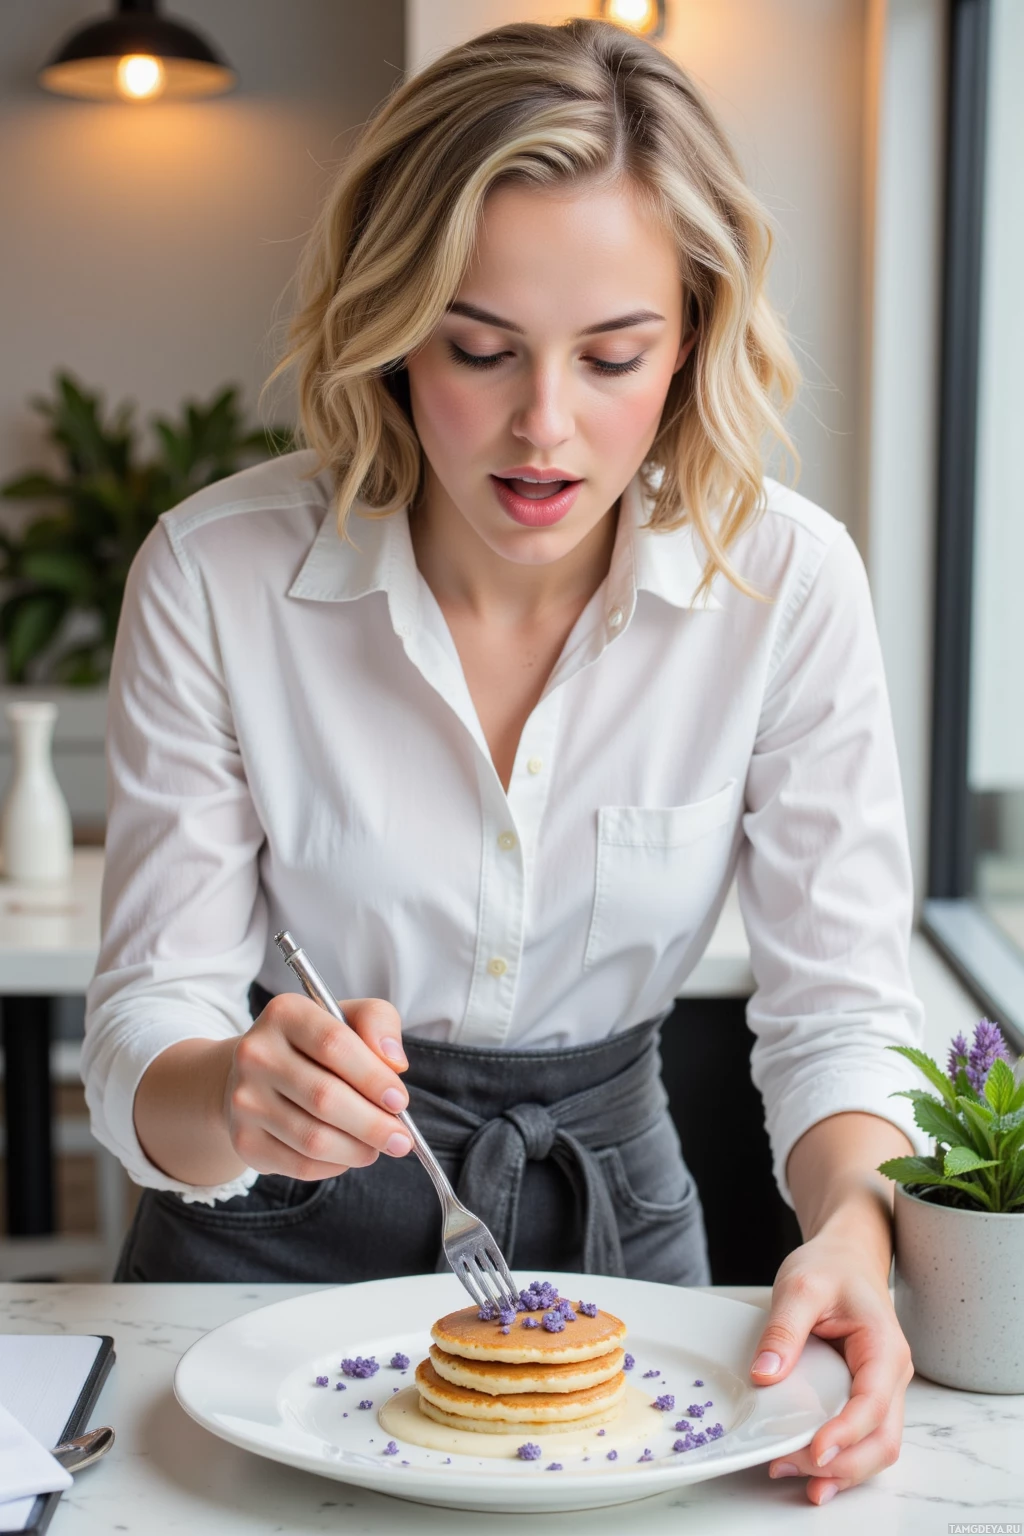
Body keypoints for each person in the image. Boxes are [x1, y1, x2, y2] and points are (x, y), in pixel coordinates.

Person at [83, 18, 926, 1505]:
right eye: (479, 349)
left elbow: (837, 1018)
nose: (547, 427)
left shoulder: (788, 587)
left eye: (615, 356)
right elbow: (148, 1020)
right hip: (250, 1279)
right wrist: (235, 1095)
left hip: (631, 1273)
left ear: (695, 336)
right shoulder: (214, 576)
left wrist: (856, 1226)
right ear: (392, 328)